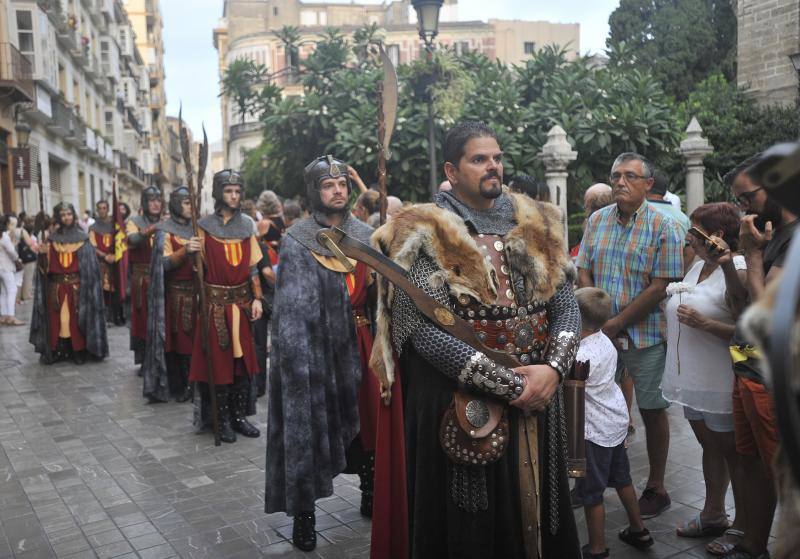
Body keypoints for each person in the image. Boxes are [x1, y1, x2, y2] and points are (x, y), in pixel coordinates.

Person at [370, 122, 581, 558]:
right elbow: (419, 329)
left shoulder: (537, 220)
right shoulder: (422, 230)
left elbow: (565, 303)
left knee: (545, 515)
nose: (493, 167)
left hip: (540, 394)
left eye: (497, 158)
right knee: (474, 529)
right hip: (464, 402)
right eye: (479, 159)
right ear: (452, 168)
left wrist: (554, 369)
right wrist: (508, 386)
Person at [265, 155, 379, 552]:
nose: (338, 191)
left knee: (369, 429)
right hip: (315, 352)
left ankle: (371, 491)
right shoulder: (297, 239)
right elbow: (292, 311)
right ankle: (304, 516)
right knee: (309, 432)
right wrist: (296, 365)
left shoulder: (366, 233)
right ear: (316, 191)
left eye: (342, 184)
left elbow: (384, 297)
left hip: (363, 344)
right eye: (329, 185)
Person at [577, 152, 684, 519]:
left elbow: (659, 287)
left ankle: (656, 486)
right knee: (590, 404)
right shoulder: (596, 221)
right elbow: (584, 270)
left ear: (648, 184)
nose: (620, 182)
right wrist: (595, 316)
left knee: (652, 409)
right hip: (599, 334)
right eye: (616, 176)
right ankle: (588, 479)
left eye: (630, 176)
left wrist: (617, 322)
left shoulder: (664, 226)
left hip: (645, 335)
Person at [713, 154, 798, 559]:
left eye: (748, 198)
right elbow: (740, 306)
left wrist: (755, 256)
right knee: (749, 464)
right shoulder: (770, 234)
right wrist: (731, 264)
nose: (743, 209)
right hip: (745, 365)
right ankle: (752, 544)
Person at [660, 203, 747, 544]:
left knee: (734, 454)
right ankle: (714, 513)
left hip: (720, 378)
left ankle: (744, 526)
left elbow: (749, 328)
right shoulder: (699, 266)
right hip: (691, 379)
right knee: (709, 446)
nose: (688, 237)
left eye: (694, 231)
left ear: (717, 235)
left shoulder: (736, 269)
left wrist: (705, 324)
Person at [573, 287, 653, 558]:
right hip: (615, 423)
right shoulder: (606, 340)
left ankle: (596, 547)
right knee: (622, 479)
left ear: (574, 316)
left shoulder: (579, 357)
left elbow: (569, 393)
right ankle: (638, 529)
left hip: (592, 432)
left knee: (591, 492)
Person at [188, 170, 263, 443]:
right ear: (219, 193)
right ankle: (220, 421)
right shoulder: (203, 227)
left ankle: (239, 417)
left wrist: (257, 298)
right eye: (229, 191)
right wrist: (190, 251)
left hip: (242, 305)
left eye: (237, 191)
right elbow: (197, 271)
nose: (235, 196)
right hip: (215, 307)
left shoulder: (247, 226)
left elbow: (253, 267)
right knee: (219, 365)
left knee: (241, 365)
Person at [141, 186, 200, 403]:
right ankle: (183, 384)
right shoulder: (164, 231)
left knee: (197, 342)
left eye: (192, 203)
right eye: (186, 203)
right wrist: (186, 251)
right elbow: (163, 264)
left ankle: (197, 383)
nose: (190, 207)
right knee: (180, 343)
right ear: (176, 204)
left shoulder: (198, 227)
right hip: (176, 296)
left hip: (198, 296)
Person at [29, 202, 107, 364]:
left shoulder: (83, 239)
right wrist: (43, 256)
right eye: (63, 215)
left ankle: (78, 350)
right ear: (59, 217)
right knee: (58, 321)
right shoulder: (51, 240)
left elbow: (90, 269)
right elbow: (44, 270)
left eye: (69, 214)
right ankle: (58, 350)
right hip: (56, 288)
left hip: (77, 288)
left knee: (75, 320)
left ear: (74, 215)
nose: (66, 217)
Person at [127, 186, 163, 366]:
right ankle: (145, 360)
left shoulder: (169, 220)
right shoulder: (135, 221)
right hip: (142, 279)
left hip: (163, 277)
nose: (156, 204)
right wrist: (155, 227)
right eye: (151, 200)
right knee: (142, 319)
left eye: (158, 200)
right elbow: (132, 240)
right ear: (145, 202)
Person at [88, 200, 118, 322]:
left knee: (115, 289)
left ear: (108, 209)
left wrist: (115, 256)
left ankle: (115, 314)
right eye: (100, 208)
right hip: (100, 263)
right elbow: (92, 246)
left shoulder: (115, 226)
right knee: (101, 290)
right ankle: (103, 315)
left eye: (104, 208)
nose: (102, 210)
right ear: (97, 210)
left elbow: (121, 243)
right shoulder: (93, 228)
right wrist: (105, 256)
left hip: (115, 263)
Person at [0, 215, 23, 325]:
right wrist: (17, 258)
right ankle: (11, 316)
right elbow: (11, 251)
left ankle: (4, 315)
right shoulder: (4, 236)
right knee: (12, 289)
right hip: (6, 266)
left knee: (4, 291)